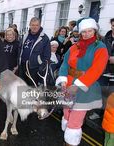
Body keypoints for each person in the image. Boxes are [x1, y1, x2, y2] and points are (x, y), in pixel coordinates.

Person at [55, 17, 108, 146]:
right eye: (83, 31)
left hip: (85, 88)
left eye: (89, 31)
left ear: (95, 31)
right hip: (68, 85)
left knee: (75, 119)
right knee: (67, 114)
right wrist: (62, 79)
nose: (86, 34)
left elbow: (96, 70)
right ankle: (67, 139)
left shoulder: (100, 48)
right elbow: (64, 65)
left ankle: (71, 142)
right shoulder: (74, 47)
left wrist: (77, 85)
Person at [18, 17, 51, 86]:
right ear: (29, 25)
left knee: (32, 87)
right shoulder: (25, 35)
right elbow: (20, 49)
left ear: (39, 25)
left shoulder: (44, 38)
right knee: (22, 86)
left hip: (34, 68)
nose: (34, 27)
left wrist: (42, 66)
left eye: (36, 25)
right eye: (33, 25)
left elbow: (47, 55)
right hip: (22, 66)